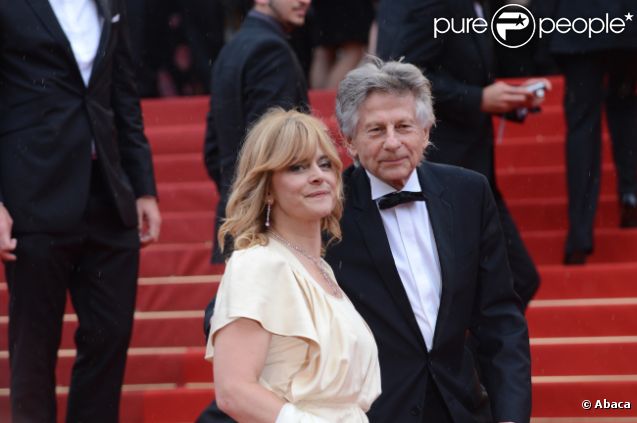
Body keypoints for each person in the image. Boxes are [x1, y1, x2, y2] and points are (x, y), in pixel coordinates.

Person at [324, 58, 531, 422]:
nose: (393, 142)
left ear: (426, 131)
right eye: (376, 130)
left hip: (462, 409)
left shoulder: (468, 193)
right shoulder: (325, 209)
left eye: (403, 126)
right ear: (350, 142)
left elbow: (499, 319)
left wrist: (511, 416)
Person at [0, 1, 161, 422]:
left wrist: (143, 187)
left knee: (110, 335)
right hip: (32, 195)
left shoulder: (110, 4)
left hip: (107, 193)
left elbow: (121, 92)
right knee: (34, 347)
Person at [205, 109, 381, 422]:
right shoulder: (258, 263)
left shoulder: (320, 269)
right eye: (297, 167)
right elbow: (233, 391)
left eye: (324, 163)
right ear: (268, 188)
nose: (318, 175)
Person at [376, 0, 545, 308]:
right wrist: (478, 98)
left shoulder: (477, 6)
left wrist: (502, 100)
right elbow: (405, 77)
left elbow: (462, 72)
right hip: (444, 166)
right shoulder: (433, 5)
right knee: (488, 284)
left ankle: (467, 352)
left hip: (474, 169)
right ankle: (459, 351)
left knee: (516, 280)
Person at [204, 0, 311, 263]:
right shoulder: (270, 51)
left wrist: (238, 194)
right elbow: (278, 149)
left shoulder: (232, 49)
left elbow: (213, 150)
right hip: (268, 226)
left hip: (241, 218)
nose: (305, 1)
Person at [538, 0, 637, 264]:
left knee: (582, 127)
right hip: (624, 23)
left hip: (579, 23)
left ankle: (580, 233)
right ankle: (630, 192)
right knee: (626, 109)